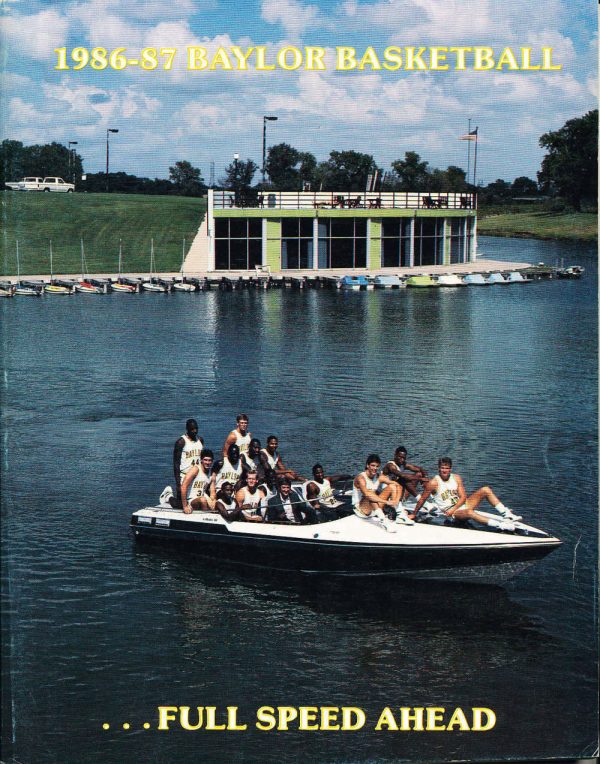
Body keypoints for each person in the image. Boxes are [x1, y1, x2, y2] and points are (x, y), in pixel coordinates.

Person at [410, 457, 522, 529]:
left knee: (485, 489)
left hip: (460, 506)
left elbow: (463, 497)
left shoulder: (456, 478)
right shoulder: (433, 483)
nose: (444, 470)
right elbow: (422, 500)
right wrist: (414, 514)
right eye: (442, 468)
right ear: (439, 468)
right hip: (453, 514)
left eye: (447, 468)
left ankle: (507, 514)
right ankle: (502, 526)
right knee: (469, 512)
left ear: (450, 469)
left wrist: (456, 508)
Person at [352, 454, 411, 531]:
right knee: (370, 493)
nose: (375, 468)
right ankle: (384, 521)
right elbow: (367, 494)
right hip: (361, 510)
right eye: (373, 466)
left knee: (392, 485)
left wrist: (396, 501)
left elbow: (397, 485)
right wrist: (386, 502)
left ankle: (400, 514)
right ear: (367, 465)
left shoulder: (379, 476)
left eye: (377, 466)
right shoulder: (361, 478)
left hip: (374, 507)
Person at [159, 418, 204, 508]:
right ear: (187, 429)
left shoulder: (200, 440)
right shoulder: (181, 442)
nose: (195, 431)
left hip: (196, 476)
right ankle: (168, 497)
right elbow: (176, 464)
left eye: (196, 428)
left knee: (195, 502)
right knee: (181, 505)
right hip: (184, 476)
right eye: (192, 429)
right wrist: (178, 483)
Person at [180, 448, 217, 514]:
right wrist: (185, 506)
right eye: (205, 460)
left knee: (215, 503)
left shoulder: (212, 474)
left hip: (203, 497)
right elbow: (183, 486)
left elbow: (212, 492)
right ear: (201, 460)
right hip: (191, 500)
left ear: (212, 461)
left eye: (209, 460)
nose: (207, 463)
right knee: (203, 500)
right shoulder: (196, 469)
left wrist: (213, 501)